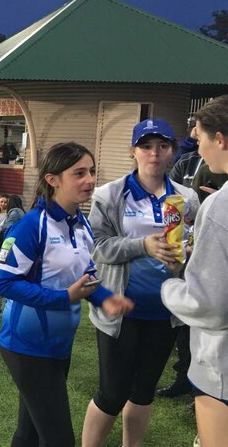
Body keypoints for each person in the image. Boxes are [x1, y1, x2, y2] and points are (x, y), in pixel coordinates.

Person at [0, 142, 134, 447]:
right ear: (52, 179)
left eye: (93, 172)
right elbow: (2, 282)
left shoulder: (81, 223)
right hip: (26, 346)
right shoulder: (30, 226)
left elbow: (85, 277)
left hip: (58, 345)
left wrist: (104, 297)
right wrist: (62, 298)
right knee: (58, 439)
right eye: (79, 173)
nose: (90, 180)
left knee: (30, 432)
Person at [80, 118, 199, 447]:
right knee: (112, 393)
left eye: (162, 146)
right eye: (145, 146)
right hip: (122, 312)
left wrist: (189, 250)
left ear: (172, 151)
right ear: (133, 151)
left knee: (144, 392)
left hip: (165, 312)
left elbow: (196, 250)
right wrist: (142, 245)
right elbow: (97, 247)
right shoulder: (110, 195)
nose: (154, 154)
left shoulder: (186, 198)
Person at [161, 96, 228, 447]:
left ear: (221, 139)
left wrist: (169, 286)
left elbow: (210, 305)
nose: (197, 147)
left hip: (221, 369)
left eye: (200, 137)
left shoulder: (219, 207)